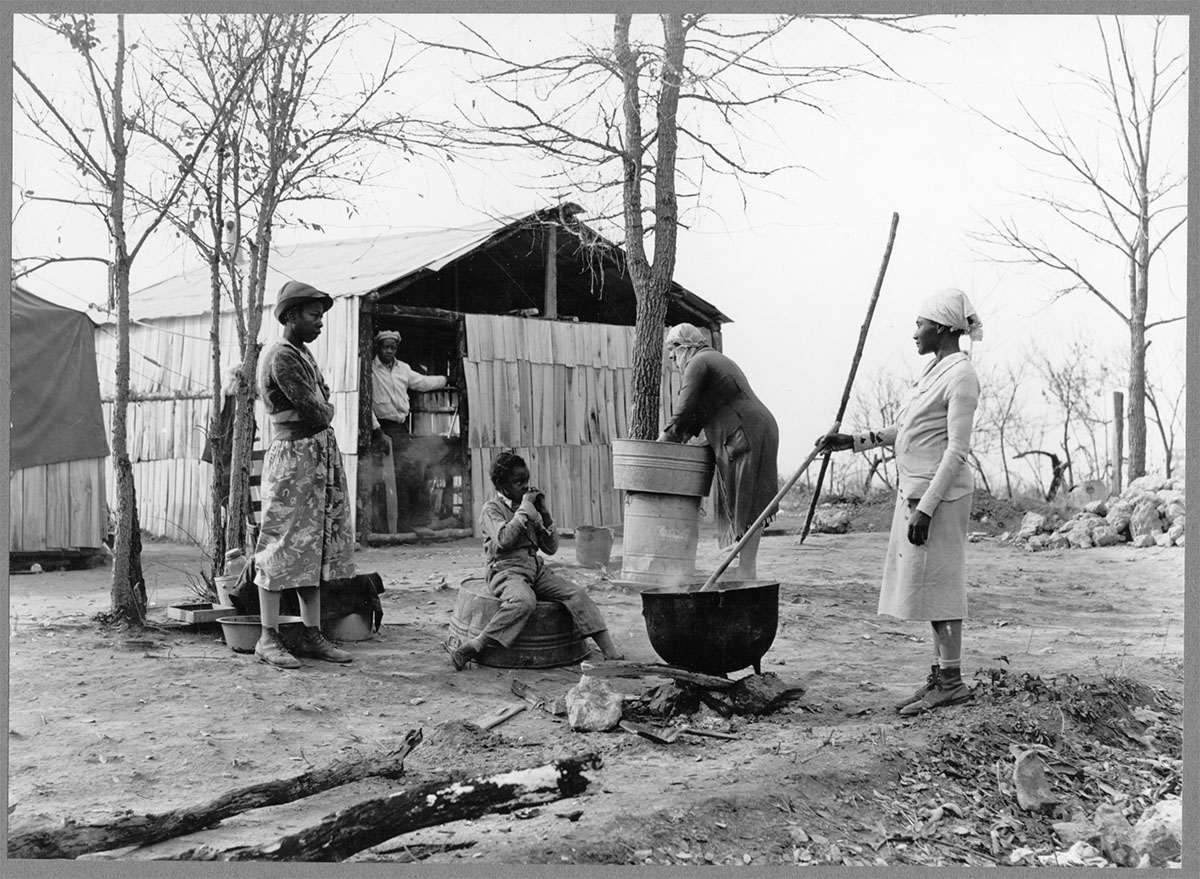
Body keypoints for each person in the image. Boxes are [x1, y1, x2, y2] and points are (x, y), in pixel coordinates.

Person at [817, 288, 983, 715]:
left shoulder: (962, 376)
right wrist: (852, 441)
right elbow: (906, 429)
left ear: (944, 328)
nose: (914, 333)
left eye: (920, 324)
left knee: (942, 586)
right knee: (927, 588)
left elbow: (956, 451)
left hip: (940, 497)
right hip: (915, 492)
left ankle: (952, 682)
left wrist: (927, 507)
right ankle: (939, 675)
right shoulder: (933, 373)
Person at [252, 280, 356, 669]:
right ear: (291, 316)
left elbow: (323, 400)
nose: (319, 323)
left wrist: (324, 407)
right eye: (314, 316)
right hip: (294, 458)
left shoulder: (302, 353)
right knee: (282, 543)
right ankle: (267, 637)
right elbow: (318, 411)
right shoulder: (281, 357)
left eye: (322, 317)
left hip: (315, 458)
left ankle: (311, 635)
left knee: (313, 546)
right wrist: (324, 409)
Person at [447, 451, 623, 671]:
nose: (524, 486)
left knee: (576, 593)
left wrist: (545, 515)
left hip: (534, 568)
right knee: (524, 601)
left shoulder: (528, 509)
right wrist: (525, 511)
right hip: (504, 570)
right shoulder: (491, 509)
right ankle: (476, 644)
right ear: (501, 486)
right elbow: (504, 539)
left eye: (526, 480)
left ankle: (608, 650)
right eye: (518, 482)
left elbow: (550, 548)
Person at [657, 323, 779, 580]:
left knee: (746, 499)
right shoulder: (714, 360)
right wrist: (680, 437)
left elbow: (684, 410)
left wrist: (662, 443)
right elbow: (697, 418)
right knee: (751, 500)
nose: (671, 357)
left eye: (673, 349)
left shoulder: (698, 363)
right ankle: (747, 569)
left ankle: (746, 572)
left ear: (686, 346)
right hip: (759, 426)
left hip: (744, 430)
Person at [370, 330, 449, 531]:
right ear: (378, 347)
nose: (389, 351)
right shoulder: (370, 370)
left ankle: (417, 522)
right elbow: (366, 405)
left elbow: (422, 382)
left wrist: (446, 380)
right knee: (391, 477)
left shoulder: (403, 369)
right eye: (385, 347)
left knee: (413, 471)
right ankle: (397, 526)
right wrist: (377, 431)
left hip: (402, 429)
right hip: (383, 429)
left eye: (393, 347)